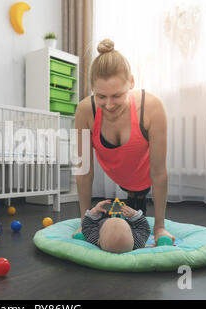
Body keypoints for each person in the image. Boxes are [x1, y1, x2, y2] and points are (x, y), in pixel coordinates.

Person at [74, 38, 175, 244]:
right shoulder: (85, 110)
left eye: (117, 95)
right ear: (92, 88)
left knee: (136, 208)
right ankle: (132, 199)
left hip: (143, 179)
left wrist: (160, 227)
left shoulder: (151, 107)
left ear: (131, 82)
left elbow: (158, 172)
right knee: (115, 220)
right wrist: (84, 221)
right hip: (120, 175)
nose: (109, 105)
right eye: (101, 96)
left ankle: (136, 198)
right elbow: (84, 171)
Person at [82, 200, 150, 253]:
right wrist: (134, 215)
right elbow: (144, 228)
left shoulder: (94, 240)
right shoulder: (138, 243)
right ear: (133, 239)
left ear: (98, 241)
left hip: (101, 218)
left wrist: (94, 211)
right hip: (128, 220)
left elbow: (88, 226)